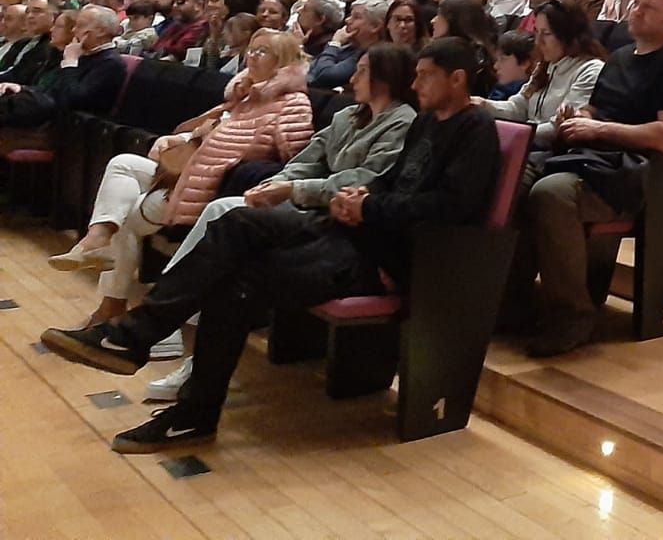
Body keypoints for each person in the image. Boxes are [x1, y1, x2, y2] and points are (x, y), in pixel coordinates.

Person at [41, 37, 499, 453]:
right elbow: (391, 183)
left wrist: (369, 207)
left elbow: (448, 207)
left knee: (236, 284)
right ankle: (136, 339)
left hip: (384, 256)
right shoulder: (426, 123)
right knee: (235, 222)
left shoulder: (474, 130)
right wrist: (355, 199)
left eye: (425, 75)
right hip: (353, 229)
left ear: (456, 79)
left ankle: (179, 395)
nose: (414, 83)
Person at [142, 44, 419, 401]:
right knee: (225, 219)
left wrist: (292, 189)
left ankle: (170, 323)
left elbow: (364, 178)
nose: (352, 77)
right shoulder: (349, 116)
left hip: (335, 216)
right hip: (309, 203)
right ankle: (178, 333)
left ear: (385, 77)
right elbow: (308, 158)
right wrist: (279, 183)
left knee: (226, 216)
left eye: (362, 70)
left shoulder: (403, 121)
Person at [48, 29, 315, 328]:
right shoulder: (243, 94)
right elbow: (206, 130)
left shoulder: (293, 103)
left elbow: (296, 158)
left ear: (282, 62)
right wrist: (182, 137)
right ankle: (98, 239)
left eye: (262, 51)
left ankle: (116, 301)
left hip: (214, 189)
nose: (251, 57)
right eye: (251, 50)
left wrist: (242, 164)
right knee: (122, 164)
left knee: (126, 215)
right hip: (188, 174)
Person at [523, 0, 663, 356]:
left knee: (551, 193)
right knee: (513, 176)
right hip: (595, 157)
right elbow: (599, 109)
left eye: (648, 7)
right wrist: (577, 117)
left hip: (638, 172)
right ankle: (514, 297)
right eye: (635, 3)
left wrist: (600, 128)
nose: (635, 10)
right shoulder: (622, 55)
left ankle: (573, 314)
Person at [480, 0, 605, 153]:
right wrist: (482, 105)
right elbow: (517, 108)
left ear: (569, 35)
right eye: (537, 33)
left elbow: (558, 128)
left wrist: (512, 135)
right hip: (526, 144)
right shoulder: (546, 65)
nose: (538, 42)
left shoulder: (590, 70)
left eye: (546, 34)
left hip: (549, 153)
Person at [307, 0, 387, 89]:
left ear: (375, 26)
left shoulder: (372, 55)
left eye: (356, 17)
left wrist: (334, 43)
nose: (347, 20)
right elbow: (312, 69)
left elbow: (326, 75)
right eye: (350, 15)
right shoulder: (349, 46)